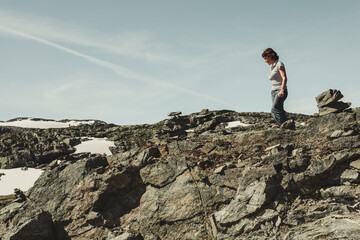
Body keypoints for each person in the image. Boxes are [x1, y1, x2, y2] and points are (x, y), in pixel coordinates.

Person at [262, 48, 288, 127]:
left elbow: (284, 78)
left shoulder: (279, 64)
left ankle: (282, 126)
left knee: (274, 110)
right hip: (273, 91)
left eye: (266, 58)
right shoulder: (272, 67)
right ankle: (287, 124)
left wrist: (282, 90)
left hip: (280, 90)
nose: (265, 61)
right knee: (279, 109)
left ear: (270, 56)